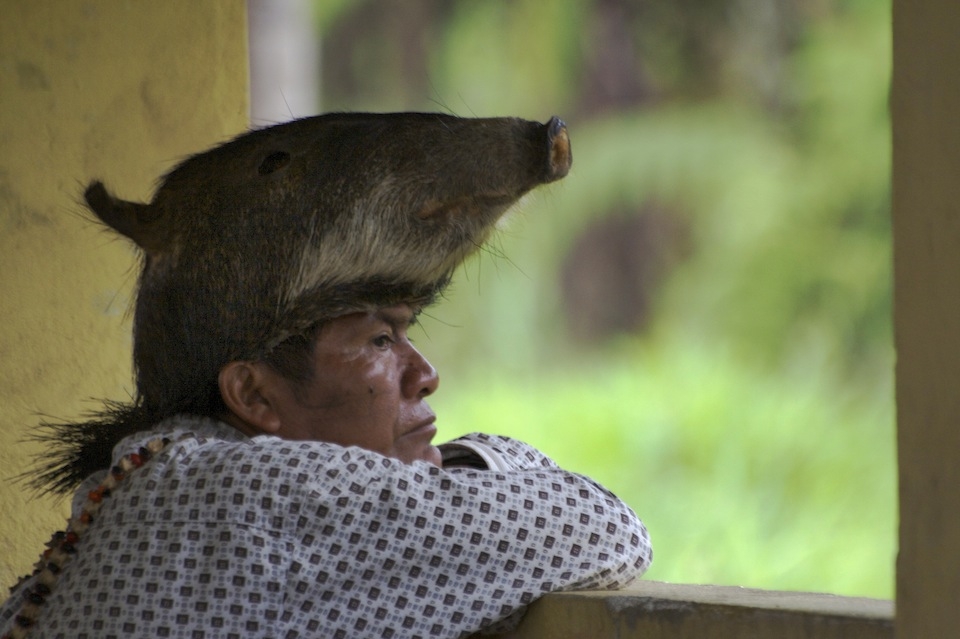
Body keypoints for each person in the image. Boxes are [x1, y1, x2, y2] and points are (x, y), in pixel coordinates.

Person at [0, 113, 651, 639]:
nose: (425, 374)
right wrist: (453, 473)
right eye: (378, 340)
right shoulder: (240, 495)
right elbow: (602, 526)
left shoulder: (158, 478)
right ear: (253, 393)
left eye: (405, 332)